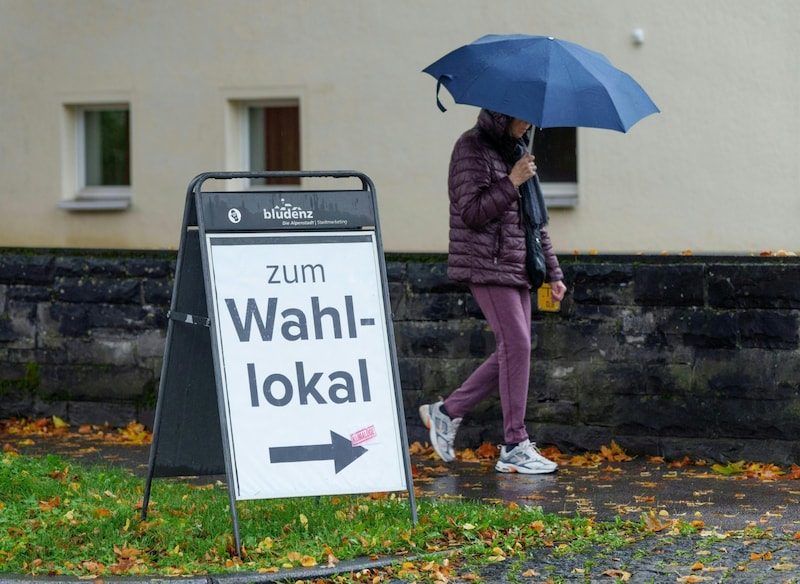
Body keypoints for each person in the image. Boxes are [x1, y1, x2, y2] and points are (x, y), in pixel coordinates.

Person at [419, 109, 567, 474]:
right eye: (523, 118)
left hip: (518, 265)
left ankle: (447, 411)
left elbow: (535, 222)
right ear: (503, 115)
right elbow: (469, 212)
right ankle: (515, 443)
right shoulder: (471, 148)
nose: (528, 124)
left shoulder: (516, 151)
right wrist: (511, 181)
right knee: (517, 345)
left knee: (515, 349)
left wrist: (553, 272)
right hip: (487, 263)